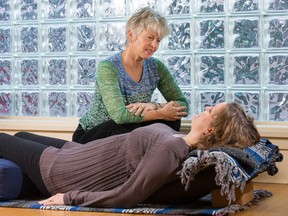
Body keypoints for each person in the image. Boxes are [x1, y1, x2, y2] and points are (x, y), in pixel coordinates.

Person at [0, 102, 260, 208]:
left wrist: (70, 197)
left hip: (64, 171)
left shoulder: (172, 151)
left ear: (210, 129)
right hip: (77, 153)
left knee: (4, 140)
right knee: (22, 135)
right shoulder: (180, 139)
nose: (205, 108)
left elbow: (131, 194)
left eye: (211, 110)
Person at [72, 7, 189, 143]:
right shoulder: (108, 67)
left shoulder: (156, 67)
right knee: (129, 125)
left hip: (129, 130)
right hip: (93, 133)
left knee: (173, 117)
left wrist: (154, 106)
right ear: (131, 35)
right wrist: (160, 113)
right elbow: (120, 116)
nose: (154, 45)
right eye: (150, 38)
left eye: (158, 40)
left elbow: (183, 105)